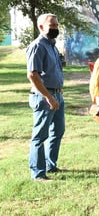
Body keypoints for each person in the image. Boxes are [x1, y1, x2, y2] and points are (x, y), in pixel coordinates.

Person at [26, 13, 65, 181]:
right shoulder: (38, 46)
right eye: (52, 25)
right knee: (40, 136)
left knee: (58, 131)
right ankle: (38, 173)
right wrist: (49, 97)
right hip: (44, 97)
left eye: (56, 25)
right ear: (41, 27)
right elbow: (33, 75)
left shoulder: (52, 45)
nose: (55, 28)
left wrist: (57, 91)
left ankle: (51, 164)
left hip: (57, 94)